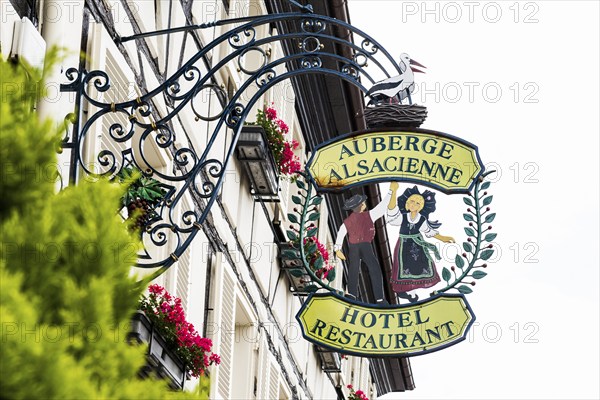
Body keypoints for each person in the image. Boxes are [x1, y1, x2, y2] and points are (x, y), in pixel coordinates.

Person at [387, 185, 455, 303]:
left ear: (421, 207)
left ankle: (412, 293)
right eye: (412, 201)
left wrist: (443, 238)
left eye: (418, 203)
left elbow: (429, 231)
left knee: (418, 268)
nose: (415, 204)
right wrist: (393, 191)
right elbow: (392, 211)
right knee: (402, 267)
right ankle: (405, 291)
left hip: (417, 245)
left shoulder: (422, 219)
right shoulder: (402, 217)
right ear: (407, 204)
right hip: (403, 244)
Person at [334, 183, 396, 303]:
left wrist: (338, 248)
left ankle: (351, 294)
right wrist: (390, 192)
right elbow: (382, 208)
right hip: (364, 246)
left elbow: (342, 231)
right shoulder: (368, 215)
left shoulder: (349, 219)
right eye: (363, 202)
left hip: (354, 246)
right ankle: (379, 298)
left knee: (354, 269)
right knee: (374, 269)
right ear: (361, 205)